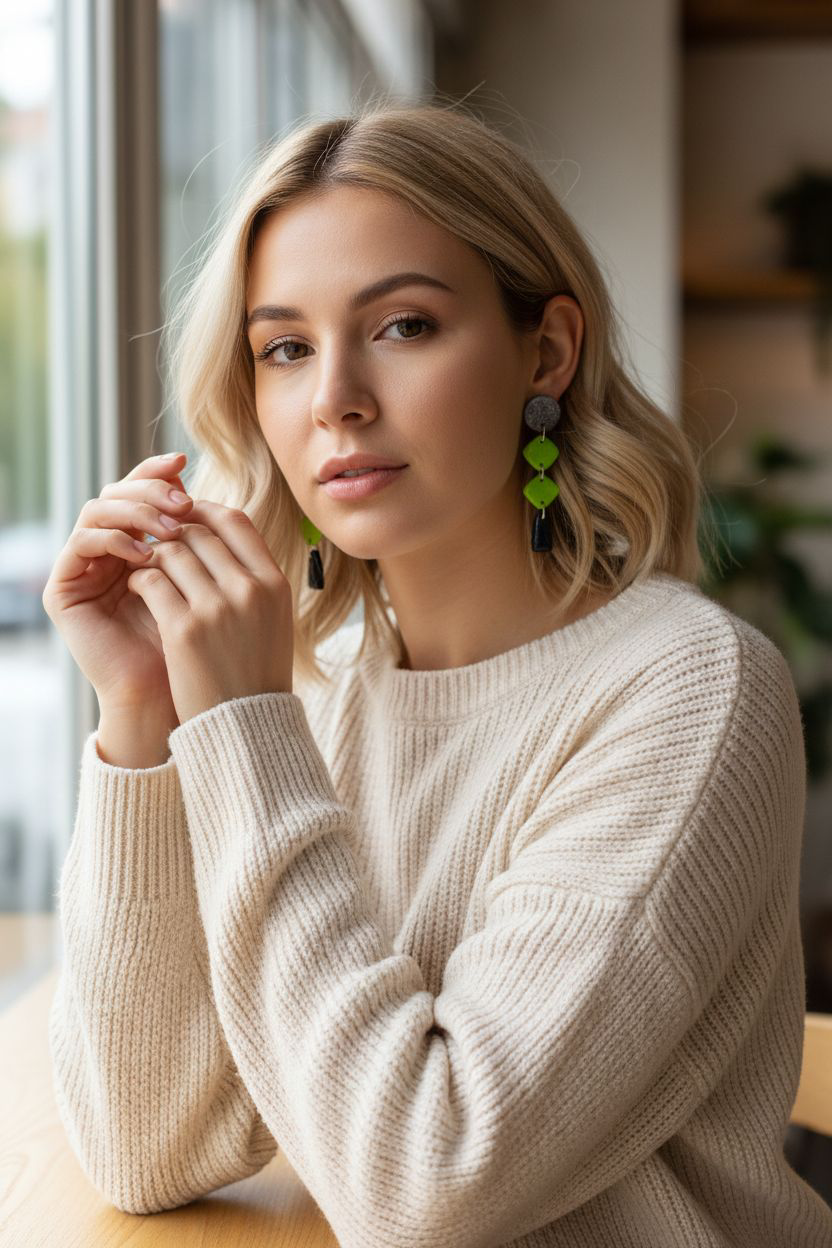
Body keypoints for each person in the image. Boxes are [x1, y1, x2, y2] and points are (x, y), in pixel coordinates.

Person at [43, 99, 832, 1247]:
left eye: (403, 326)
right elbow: (145, 1144)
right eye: (284, 348)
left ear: (545, 350)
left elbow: (427, 1184)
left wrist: (251, 729)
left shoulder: (689, 693)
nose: (336, 401)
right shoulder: (309, 701)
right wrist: (145, 721)